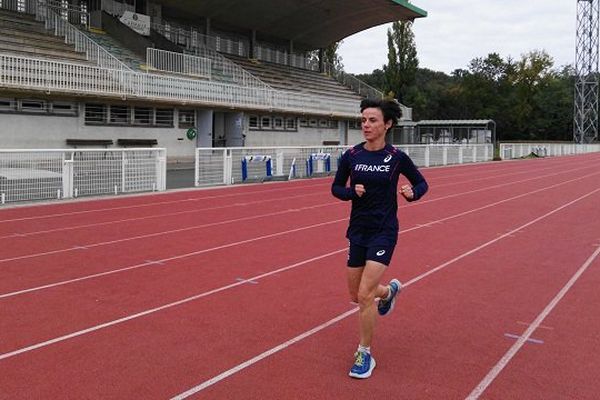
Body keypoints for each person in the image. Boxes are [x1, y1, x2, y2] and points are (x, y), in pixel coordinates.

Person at [331, 98, 428, 379]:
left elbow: (422, 182)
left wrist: (414, 193)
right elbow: (336, 188)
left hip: (384, 231)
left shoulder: (397, 157)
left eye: (372, 120)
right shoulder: (351, 156)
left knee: (364, 295)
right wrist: (351, 192)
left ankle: (364, 353)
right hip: (357, 230)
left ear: (387, 125)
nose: (366, 125)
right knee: (355, 294)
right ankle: (389, 292)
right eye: (363, 120)